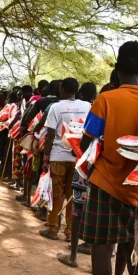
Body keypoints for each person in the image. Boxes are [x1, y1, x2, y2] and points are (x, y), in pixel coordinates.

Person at [76, 41, 138, 275]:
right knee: (135, 244)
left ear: (117, 69)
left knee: (102, 246)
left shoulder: (105, 100)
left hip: (106, 182)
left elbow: (85, 141)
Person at [39, 78, 91, 242]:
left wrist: (46, 159)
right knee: (73, 195)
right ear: (77, 91)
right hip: (78, 157)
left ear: (62, 89)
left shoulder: (56, 107)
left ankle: (53, 228)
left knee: (56, 193)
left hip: (58, 156)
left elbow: (50, 136)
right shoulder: (87, 106)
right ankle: (70, 231)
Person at [56, 82, 97, 268]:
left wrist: (76, 149)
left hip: (87, 166)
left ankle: (72, 254)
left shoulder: (102, 105)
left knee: (75, 205)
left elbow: (87, 138)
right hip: (123, 176)